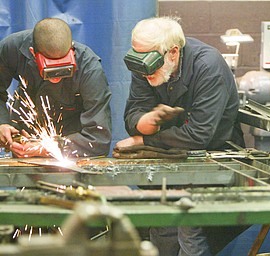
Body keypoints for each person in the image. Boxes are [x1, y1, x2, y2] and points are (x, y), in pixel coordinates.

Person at [115, 16, 245, 255]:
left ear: (172, 53)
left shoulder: (208, 66)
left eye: (148, 62)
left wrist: (143, 140)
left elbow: (198, 135)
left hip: (211, 157)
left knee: (189, 228)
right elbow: (133, 115)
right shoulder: (144, 65)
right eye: (137, 60)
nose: (143, 71)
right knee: (161, 223)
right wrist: (147, 123)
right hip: (169, 159)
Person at [0, 17, 112, 158]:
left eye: (64, 69)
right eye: (50, 72)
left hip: (71, 144)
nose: (56, 78)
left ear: (72, 51)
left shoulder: (89, 68)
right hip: (26, 135)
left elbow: (99, 140)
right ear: (32, 53)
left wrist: (48, 148)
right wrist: (2, 123)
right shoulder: (11, 49)